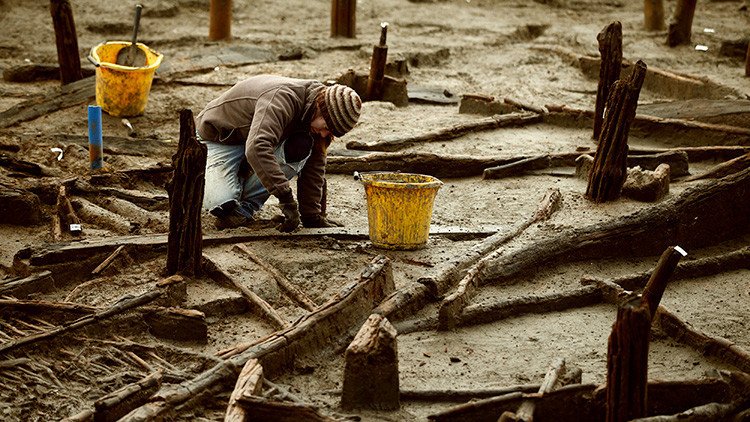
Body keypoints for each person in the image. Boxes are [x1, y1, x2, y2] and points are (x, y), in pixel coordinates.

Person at [195, 75, 362, 232]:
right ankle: (231, 182)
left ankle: (244, 209)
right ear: (320, 108)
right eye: (326, 127)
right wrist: (286, 199)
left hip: (254, 138)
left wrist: (311, 216)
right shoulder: (282, 98)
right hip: (220, 138)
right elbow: (257, 147)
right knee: (221, 203)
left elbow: (315, 166)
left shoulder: (316, 119)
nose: (325, 134)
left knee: (302, 146)